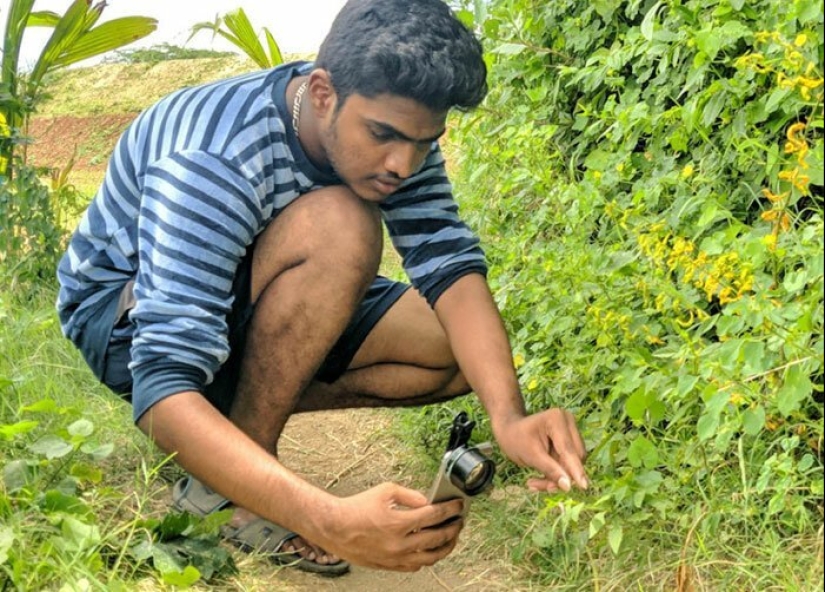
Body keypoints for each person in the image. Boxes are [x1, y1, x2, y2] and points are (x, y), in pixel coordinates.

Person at [56, 0, 588, 576]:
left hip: (251, 286)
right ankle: (231, 489)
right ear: (322, 93)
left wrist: (508, 418)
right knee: (344, 222)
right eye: (384, 134)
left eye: (423, 142)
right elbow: (160, 384)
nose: (402, 164)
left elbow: (449, 265)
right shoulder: (215, 158)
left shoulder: (395, 140)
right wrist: (326, 518)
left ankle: (229, 435)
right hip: (125, 319)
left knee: (454, 353)